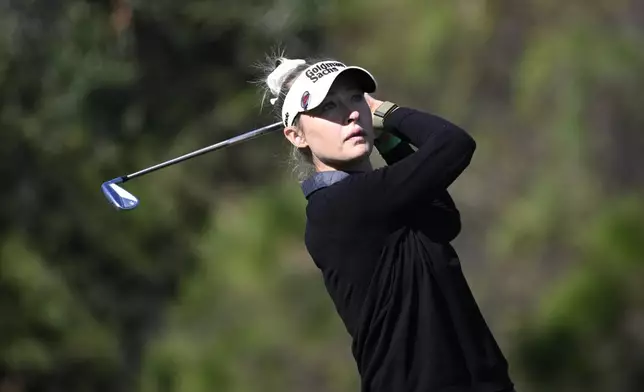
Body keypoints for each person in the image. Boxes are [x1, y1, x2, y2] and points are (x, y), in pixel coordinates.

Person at [259, 55, 516, 392]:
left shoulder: (382, 198)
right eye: (328, 107)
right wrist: (387, 113)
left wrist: (387, 140)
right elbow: (454, 144)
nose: (352, 112)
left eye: (356, 98)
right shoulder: (337, 208)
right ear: (296, 136)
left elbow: (443, 218)